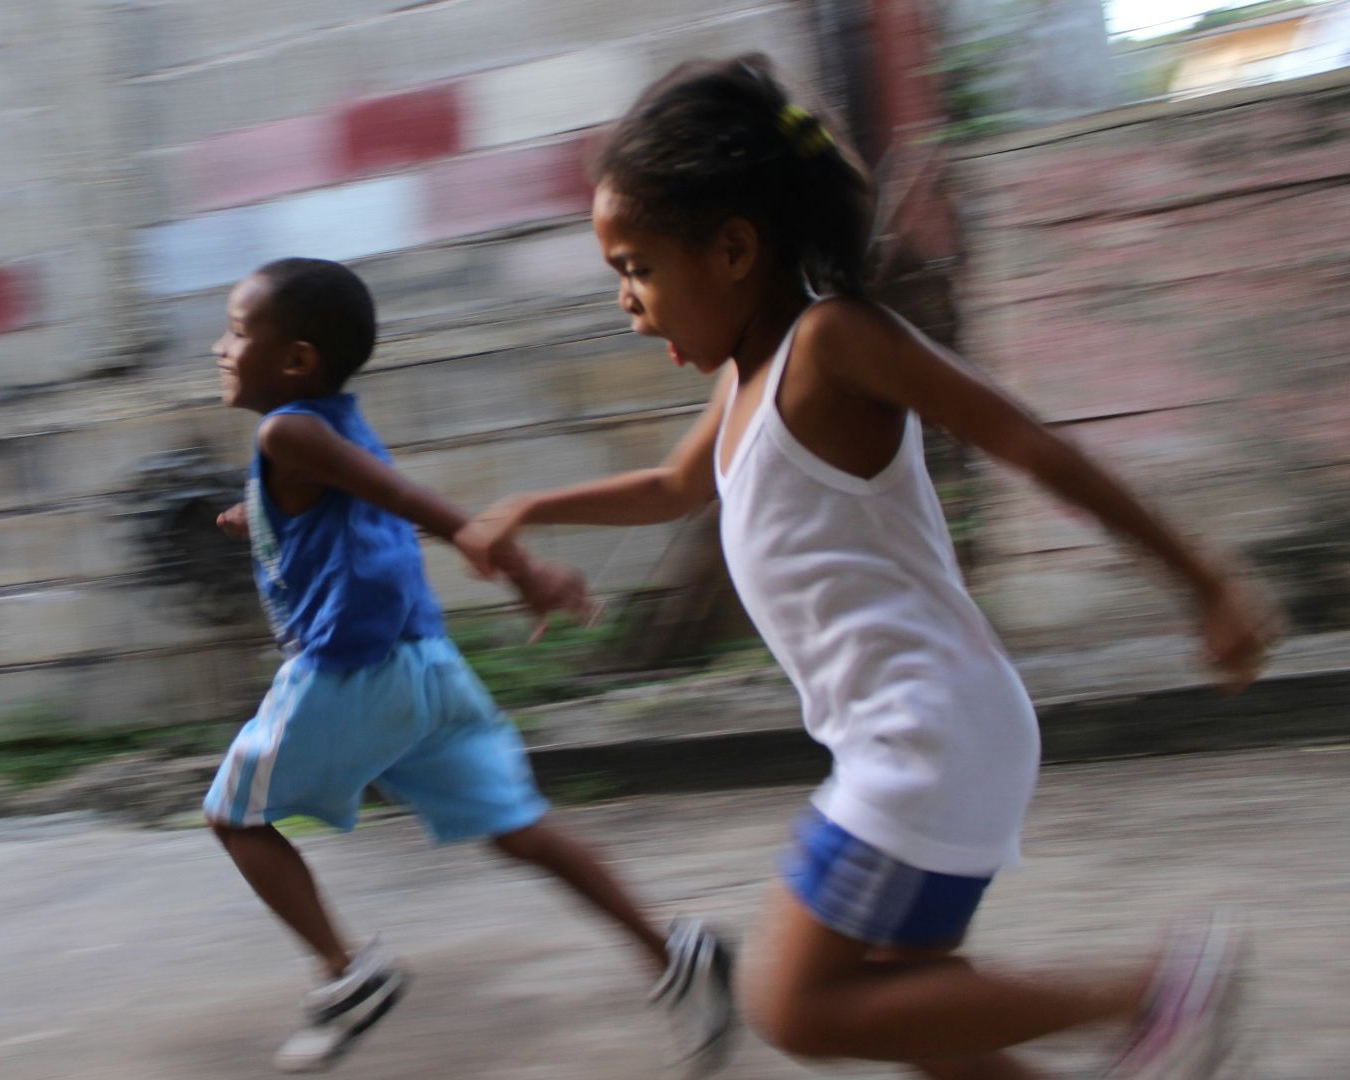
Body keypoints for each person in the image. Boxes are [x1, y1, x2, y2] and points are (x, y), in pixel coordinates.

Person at [456, 55, 1281, 1080]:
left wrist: (1204, 582)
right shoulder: (747, 381)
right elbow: (675, 486)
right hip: (918, 732)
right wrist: (529, 508)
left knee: (791, 1002)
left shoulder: (833, 343)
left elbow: (1030, 443)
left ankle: (1156, 992)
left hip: (924, 730)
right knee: (914, 1017)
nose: (627, 301)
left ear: (733, 249)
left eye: (636, 266)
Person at [203, 256, 737, 1074]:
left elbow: (413, 503)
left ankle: (346, 975)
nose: (221, 346)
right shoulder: (325, 427)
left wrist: (521, 564)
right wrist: (263, 516)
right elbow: (356, 503)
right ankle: (671, 951)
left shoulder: (287, 431)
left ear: (297, 360)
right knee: (518, 824)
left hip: (351, 674)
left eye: (239, 332)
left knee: (234, 817)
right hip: (428, 668)